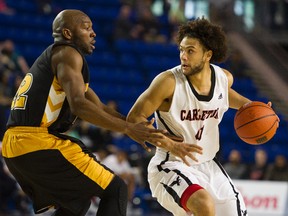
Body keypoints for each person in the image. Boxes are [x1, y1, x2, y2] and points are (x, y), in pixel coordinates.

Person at [1, 9, 201, 216]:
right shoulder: (67, 53)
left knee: (76, 203)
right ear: (68, 34)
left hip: (17, 146)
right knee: (116, 190)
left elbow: (99, 107)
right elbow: (79, 105)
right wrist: (128, 128)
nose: (93, 33)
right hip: (34, 142)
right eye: (86, 27)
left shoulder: (59, 60)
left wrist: (143, 130)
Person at [127, 17, 279, 216]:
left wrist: (253, 108)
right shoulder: (167, 82)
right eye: (181, 50)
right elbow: (133, 119)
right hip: (171, 164)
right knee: (203, 205)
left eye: (190, 51)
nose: (183, 56)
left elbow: (224, 93)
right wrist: (171, 145)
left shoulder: (223, 78)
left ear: (207, 55)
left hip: (209, 165)